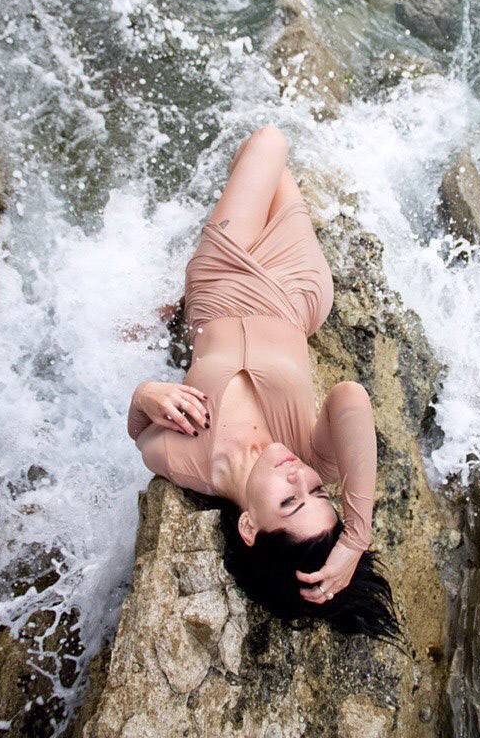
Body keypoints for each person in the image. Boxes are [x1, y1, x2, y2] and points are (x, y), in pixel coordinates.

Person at [127, 126, 401, 641]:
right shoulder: (313, 456)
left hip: (219, 278)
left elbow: (139, 432)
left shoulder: (188, 461)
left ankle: (179, 298)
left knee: (267, 144)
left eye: (290, 501)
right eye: (317, 492)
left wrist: (147, 394)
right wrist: (356, 537)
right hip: (295, 290)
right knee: (268, 156)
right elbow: (351, 398)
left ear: (249, 525)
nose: (299, 477)